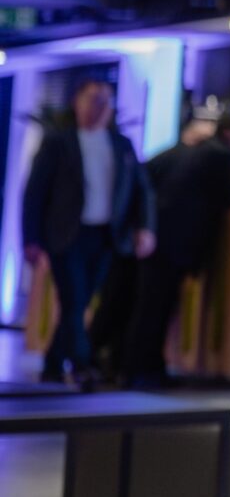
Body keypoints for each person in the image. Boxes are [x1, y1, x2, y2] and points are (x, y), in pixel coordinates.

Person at [18, 79, 154, 385]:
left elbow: (141, 190)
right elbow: (35, 193)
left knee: (78, 302)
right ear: (77, 103)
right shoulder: (59, 143)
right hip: (67, 235)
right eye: (93, 99)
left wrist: (145, 228)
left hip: (105, 236)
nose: (100, 107)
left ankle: (54, 364)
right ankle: (82, 363)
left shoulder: (121, 145)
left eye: (106, 100)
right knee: (74, 298)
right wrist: (30, 239)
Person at [119, 112, 230, 389]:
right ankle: (142, 370)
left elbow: (145, 178)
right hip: (178, 241)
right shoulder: (222, 156)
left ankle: (141, 368)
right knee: (156, 308)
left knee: (149, 306)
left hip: (157, 236)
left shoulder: (183, 153)